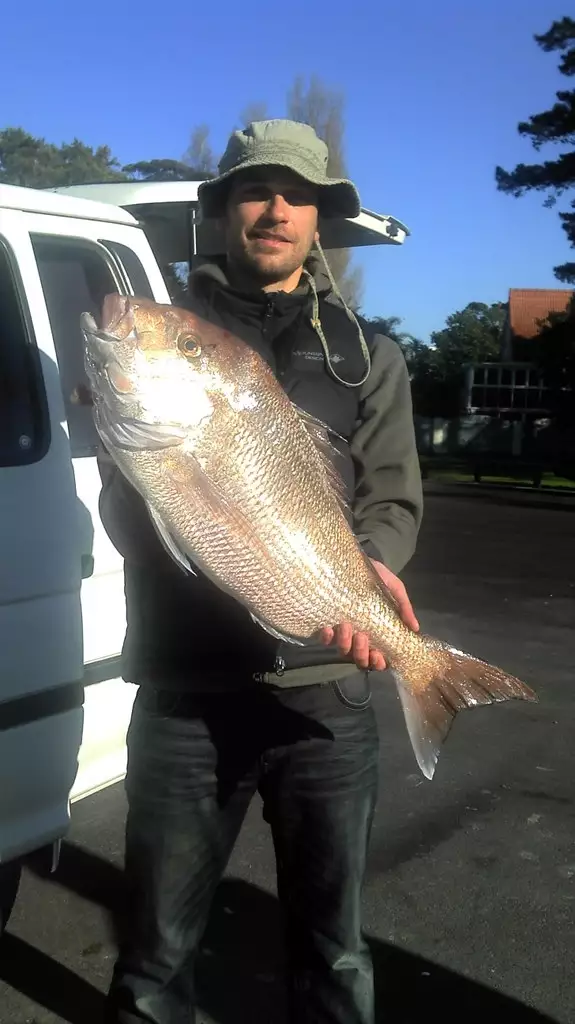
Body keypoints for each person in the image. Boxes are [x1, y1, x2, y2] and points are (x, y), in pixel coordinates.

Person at [101, 118, 423, 1024]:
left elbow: (391, 501)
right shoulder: (166, 337)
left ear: (321, 219)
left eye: (298, 196)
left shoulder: (370, 356)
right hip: (184, 694)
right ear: (221, 210)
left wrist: (373, 568)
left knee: (336, 952)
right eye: (254, 190)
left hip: (330, 695)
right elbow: (132, 522)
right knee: (153, 956)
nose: (275, 209)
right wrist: (138, 462)